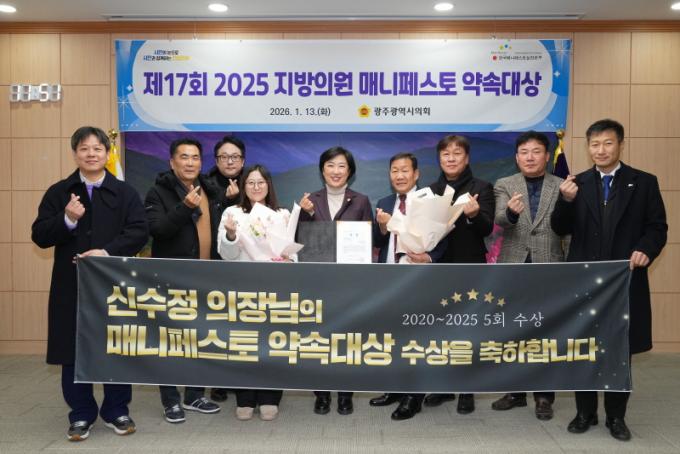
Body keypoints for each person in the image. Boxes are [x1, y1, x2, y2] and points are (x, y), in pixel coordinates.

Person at [551, 119, 667, 441]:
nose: (600, 150)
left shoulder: (643, 182)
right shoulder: (576, 183)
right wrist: (565, 201)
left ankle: (616, 417)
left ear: (620, 145)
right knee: (583, 347)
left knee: (619, 350)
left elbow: (657, 227)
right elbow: (560, 228)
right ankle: (584, 413)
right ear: (588, 147)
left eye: (607, 143)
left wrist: (645, 249)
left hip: (623, 281)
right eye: (594, 144)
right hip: (584, 282)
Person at [32, 126, 148, 441]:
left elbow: (140, 231)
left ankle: (116, 410)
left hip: (114, 283)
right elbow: (39, 235)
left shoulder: (124, 192)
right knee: (73, 349)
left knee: (116, 346)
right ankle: (81, 413)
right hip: (71, 285)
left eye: (97, 148)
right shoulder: (60, 192)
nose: (91, 154)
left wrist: (106, 252)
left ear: (107, 153)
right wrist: (67, 219)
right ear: (75, 154)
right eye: (84, 148)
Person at [144, 138, 223, 424]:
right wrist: (184, 207)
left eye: (195, 157)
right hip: (172, 278)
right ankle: (170, 400)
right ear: (172, 162)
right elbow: (158, 230)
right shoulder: (158, 192)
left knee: (200, 337)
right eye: (184, 157)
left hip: (206, 278)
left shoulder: (210, 191)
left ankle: (194, 395)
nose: (190, 163)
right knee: (170, 340)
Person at [491, 131, 568, 420]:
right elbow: (500, 219)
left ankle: (544, 396)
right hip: (513, 267)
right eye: (524, 152)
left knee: (545, 332)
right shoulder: (505, 184)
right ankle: (515, 392)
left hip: (549, 266)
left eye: (536, 151)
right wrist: (511, 213)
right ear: (517, 157)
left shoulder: (561, 186)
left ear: (547, 156)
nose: (530, 157)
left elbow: (569, 230)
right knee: (513, 330)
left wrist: (570, 266)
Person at [423, 135, 495, 415]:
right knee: (441, 327)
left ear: (467, 158)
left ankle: (467, 390)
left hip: (469, 266)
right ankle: (444, 386)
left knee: (468, 328)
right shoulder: (431, 191)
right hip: (438, 268)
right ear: (439, 159)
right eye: (445, 154)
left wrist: (475, 215)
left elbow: (486, 229)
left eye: (457, 153)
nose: (451, 158)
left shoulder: (481, 188)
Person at [298, 146, 373, 416]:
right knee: (319, 338)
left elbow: (369, 243)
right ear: (322, 170)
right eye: (330, 165)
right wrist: (303, 214)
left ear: (350, 171)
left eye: (342, 166)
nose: (336, 171)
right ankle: (321, 394)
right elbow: (297, 240)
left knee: (347, 339)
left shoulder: (361, 201)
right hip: (317, 283)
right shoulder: (309, 200)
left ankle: (344, 394)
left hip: (350, 284)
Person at [217, 164, 293, 421]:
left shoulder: (282, 214)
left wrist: (287, 258)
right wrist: (230, 234)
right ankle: (245, 398)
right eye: (250, 182)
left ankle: (270, 397)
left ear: (269, 185)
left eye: (261, 182)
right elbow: (226, 255)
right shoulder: (232, 213)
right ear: (243, 186)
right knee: (244, 344)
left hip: (275, 289)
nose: (256, 187)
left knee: (274, 343)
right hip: (243, 288)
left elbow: (293, 253)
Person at [369, 152, 433, 420]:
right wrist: (383, 227)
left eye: (405, 170)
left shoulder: (430, 200)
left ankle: (413, 397)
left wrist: (430, 257)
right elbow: (377, 241)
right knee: (393, 336)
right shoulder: (385, 202)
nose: (399, 175)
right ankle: (395, 388)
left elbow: (444, 239)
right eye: (394, 170)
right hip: (389, 279)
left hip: (419, 278)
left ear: (416, 174)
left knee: (416, 338)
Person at [206, 134, 246, 403]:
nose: (230, 162)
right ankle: (219, 380)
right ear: (216, 160)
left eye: (235, 157)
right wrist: (226, 199)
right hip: (216, 263)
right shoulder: (205, 184)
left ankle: (243, 378)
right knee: (219, 324)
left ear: (243, 160)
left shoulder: (252, 181)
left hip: (245, 266)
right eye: (224, 157)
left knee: (242, 323)